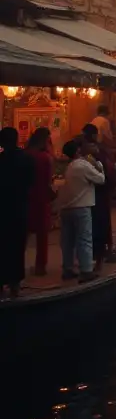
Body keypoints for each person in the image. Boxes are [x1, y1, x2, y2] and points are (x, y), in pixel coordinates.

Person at [53, 138, 105, 283]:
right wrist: (98, 165)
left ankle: (68, 268)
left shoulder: (67, 167)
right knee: (84, 239)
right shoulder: (83, 165)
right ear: (77, 151)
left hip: (66, 208)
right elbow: (101, 179)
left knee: (67, 240)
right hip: (81, 207)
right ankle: (86, 270)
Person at [0, 126, 35, 298]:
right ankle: (15, 286)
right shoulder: (26, 159)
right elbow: (31, 183)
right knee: (17, 247)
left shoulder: (1, 160)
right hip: (20, 208)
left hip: (2, 209)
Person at [83, 124, 116, 267]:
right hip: (99, 192)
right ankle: (100, 255)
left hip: (94, 192)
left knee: (95, 225)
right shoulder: (99, 151)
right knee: (100, 223)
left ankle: (97, 257)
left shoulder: (90, 153)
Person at [26, 127, 55, 277]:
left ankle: (16, 267)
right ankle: (40, 266)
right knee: (42, 236)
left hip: (26, 199)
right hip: (42, 198)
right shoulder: (45, 158)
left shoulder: (26, 155)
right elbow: (49, 182)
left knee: (22, 235)